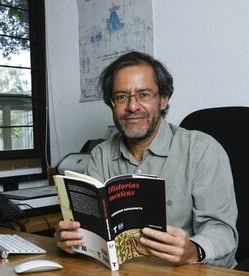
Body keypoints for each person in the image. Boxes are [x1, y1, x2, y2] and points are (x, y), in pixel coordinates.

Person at [54, 51, 238, 268]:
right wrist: (70, 239)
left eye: (144, 95)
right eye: (122, 96)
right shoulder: (101, 154)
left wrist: (192, 250)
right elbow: (91, 231)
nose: (132, 106)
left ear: (163, 99)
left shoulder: (202, 149)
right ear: (112, 104)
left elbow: (223, 232)